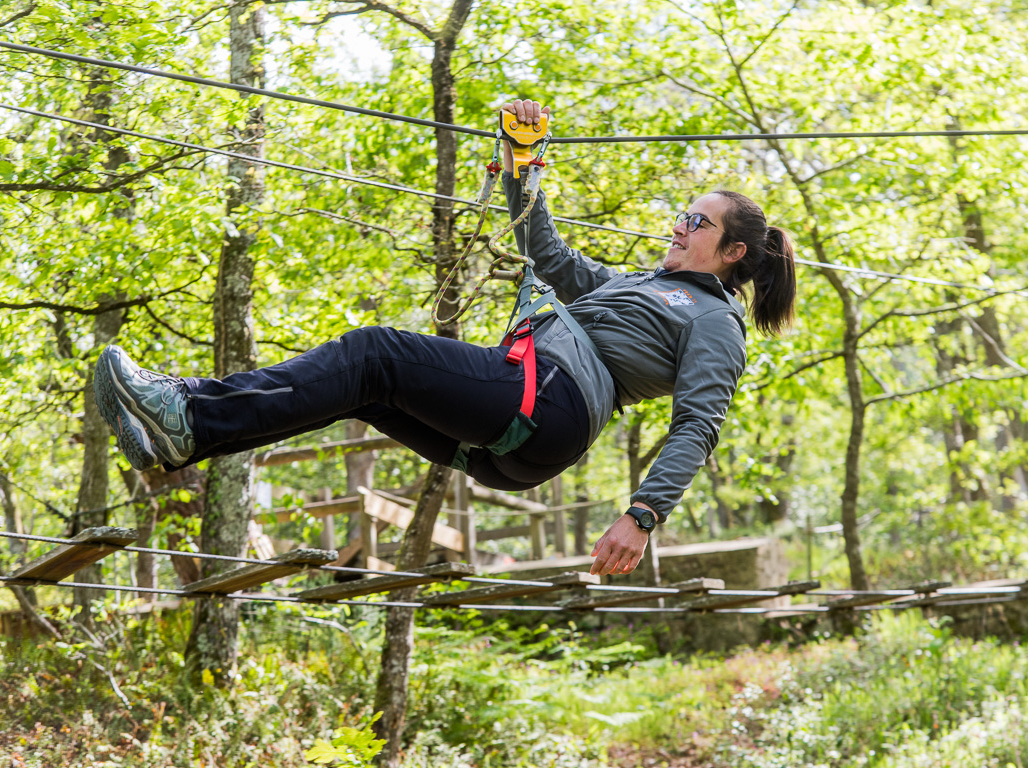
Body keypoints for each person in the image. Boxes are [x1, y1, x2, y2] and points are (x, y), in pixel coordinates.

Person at [94, 100, 797, 577]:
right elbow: (550, 258)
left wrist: (642, 515)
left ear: (733, 253)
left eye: (696, 223)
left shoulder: (712, 321)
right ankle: (186, 432)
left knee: (375, 351)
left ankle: (184, 412)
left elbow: (698, 423)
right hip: (525, 430)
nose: (678, 225)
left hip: (550, 406)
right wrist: (524, 164)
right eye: (681, 214)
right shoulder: (638, 286)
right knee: (361, 386)